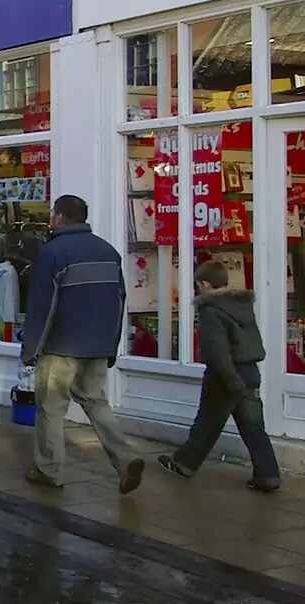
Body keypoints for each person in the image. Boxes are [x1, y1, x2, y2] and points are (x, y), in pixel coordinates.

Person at [20, 194, 144, 493]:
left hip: (61, 347)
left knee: (51, 409)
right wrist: (111, 346)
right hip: (98, 345)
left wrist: (30, 349)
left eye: (53, 214)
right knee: (95, 401)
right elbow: (119, 301)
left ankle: (50, 469)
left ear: (60, 217)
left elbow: (42, 307)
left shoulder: (53, 252)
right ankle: (126, 459)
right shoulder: (109, 252)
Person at [158, 260, 281, 492]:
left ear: (204, 284)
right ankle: (268, 474)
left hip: (225, 375)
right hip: (250, 370)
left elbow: (217, 349)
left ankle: (184, 463)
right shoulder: (242, 305)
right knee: (253, 427)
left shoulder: (210, 309)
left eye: (198, 285)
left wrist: (232, 380)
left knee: (207, 422)